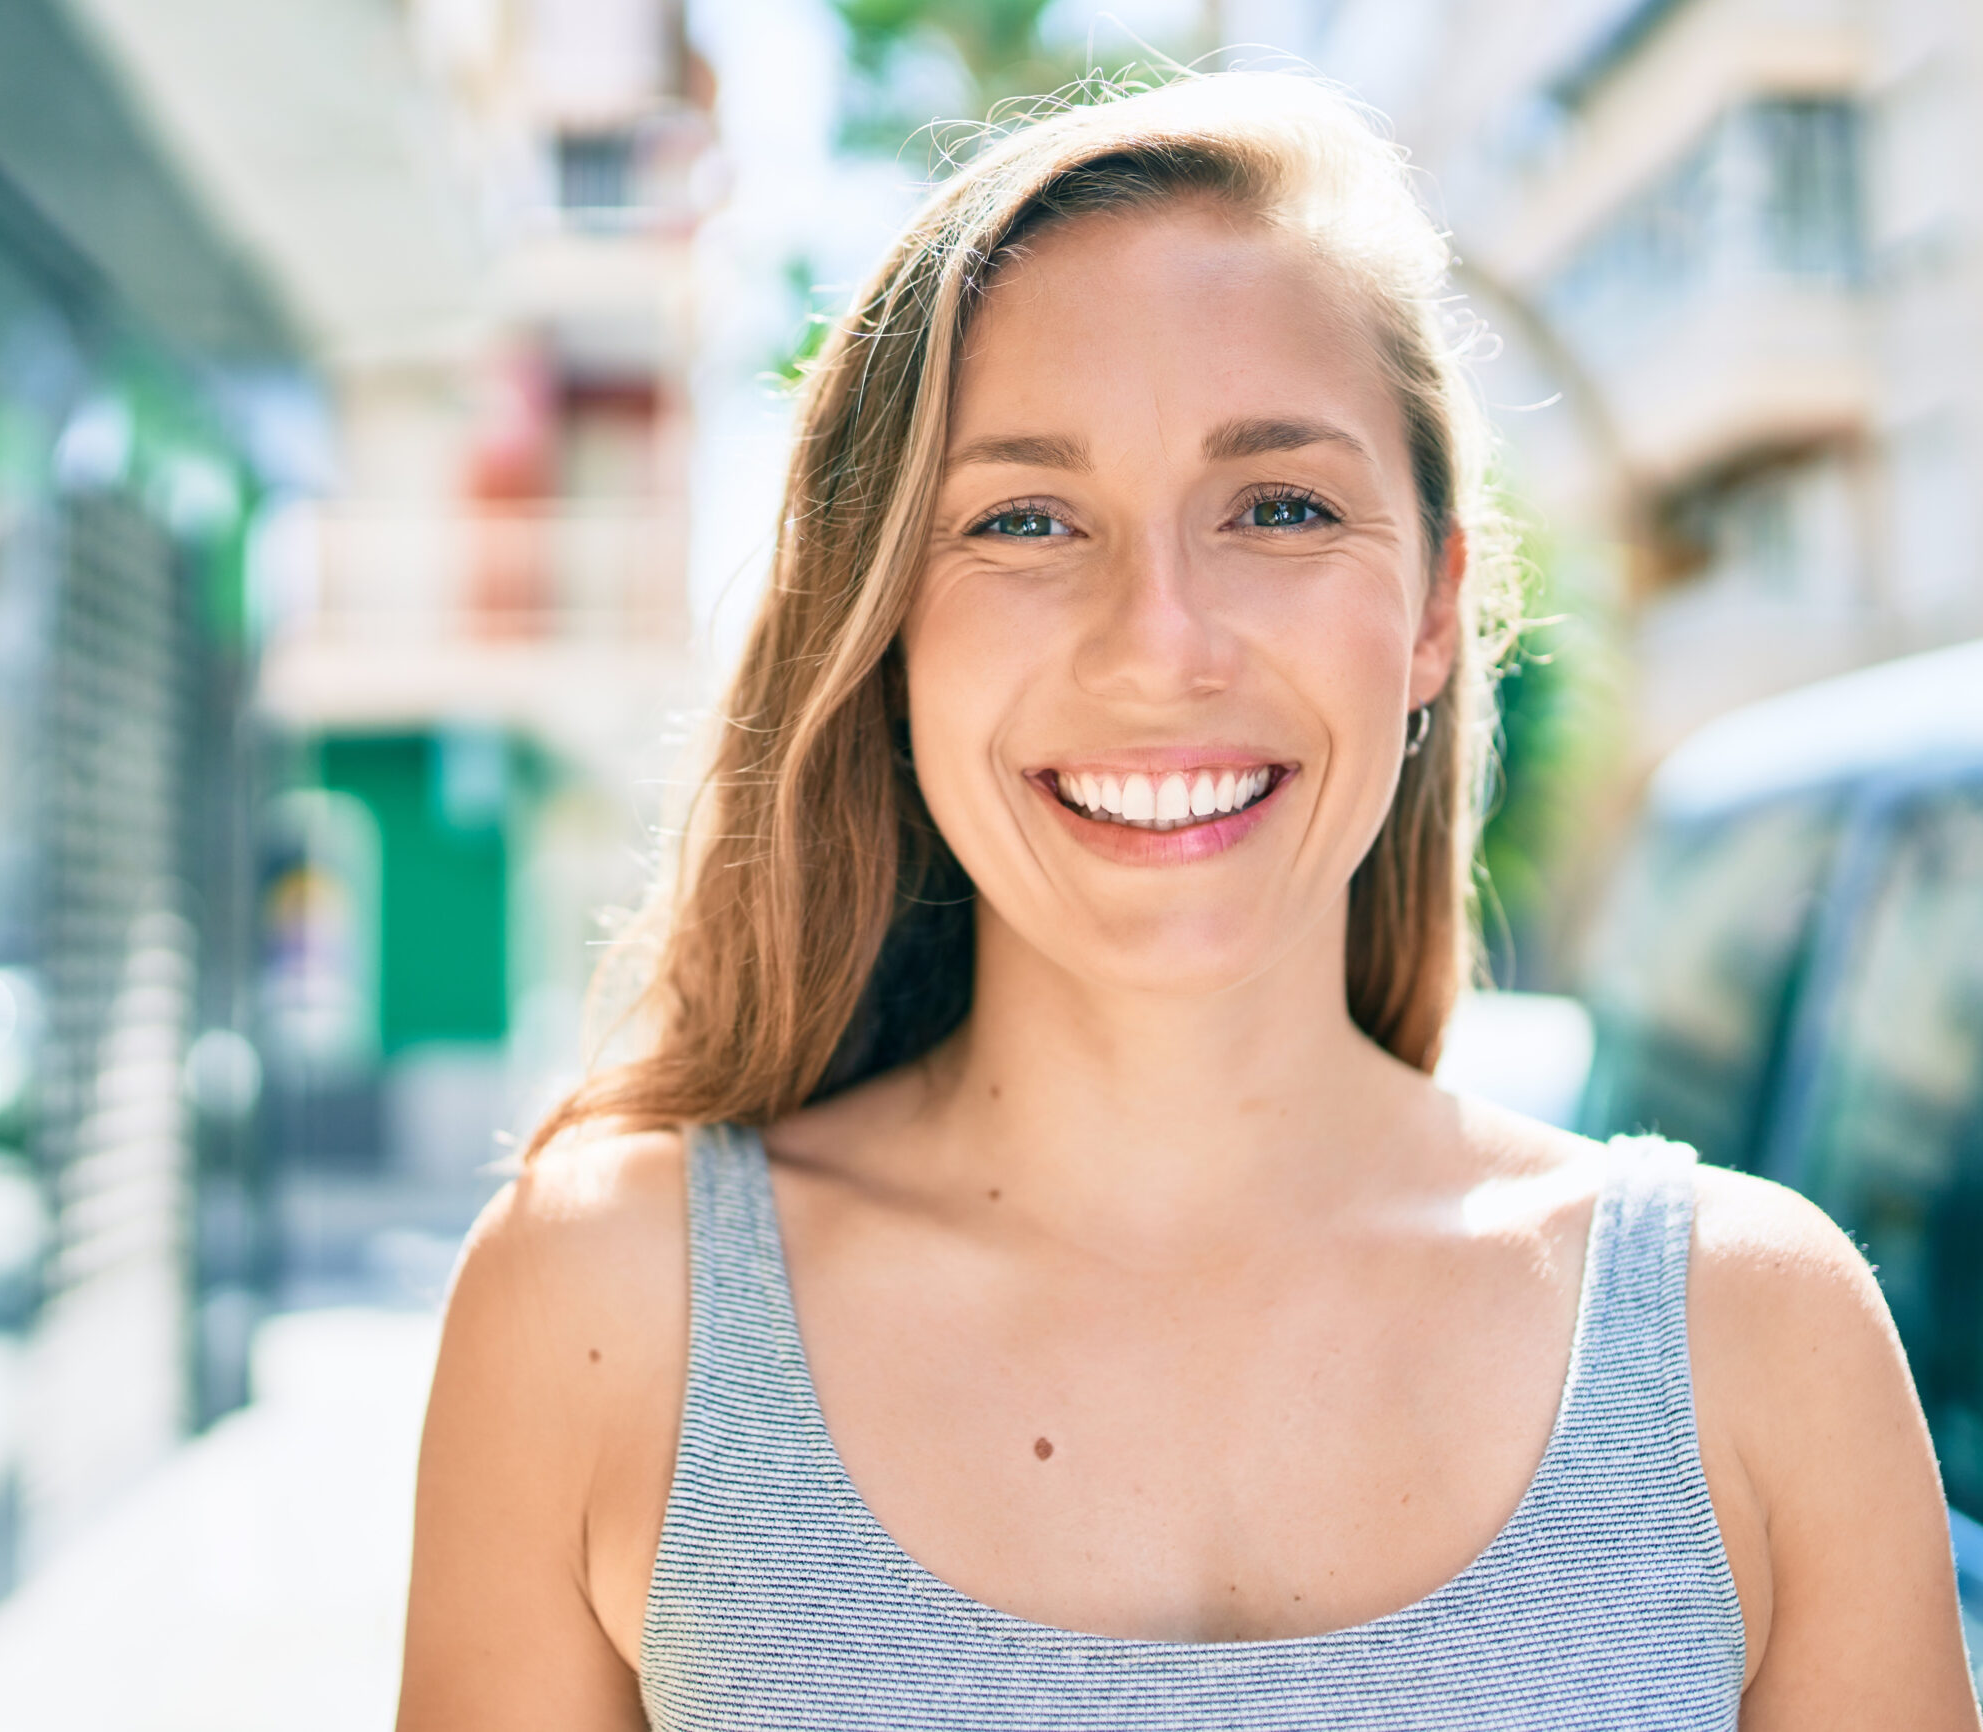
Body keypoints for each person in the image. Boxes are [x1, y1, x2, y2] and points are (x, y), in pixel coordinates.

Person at [396, 72, 1978, 1730]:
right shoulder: (602, 1311)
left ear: (1434, 605)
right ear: (891, 630)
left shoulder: (1759, 1342)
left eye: (1279, 505)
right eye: (1024, 518)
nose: (1160, 643)